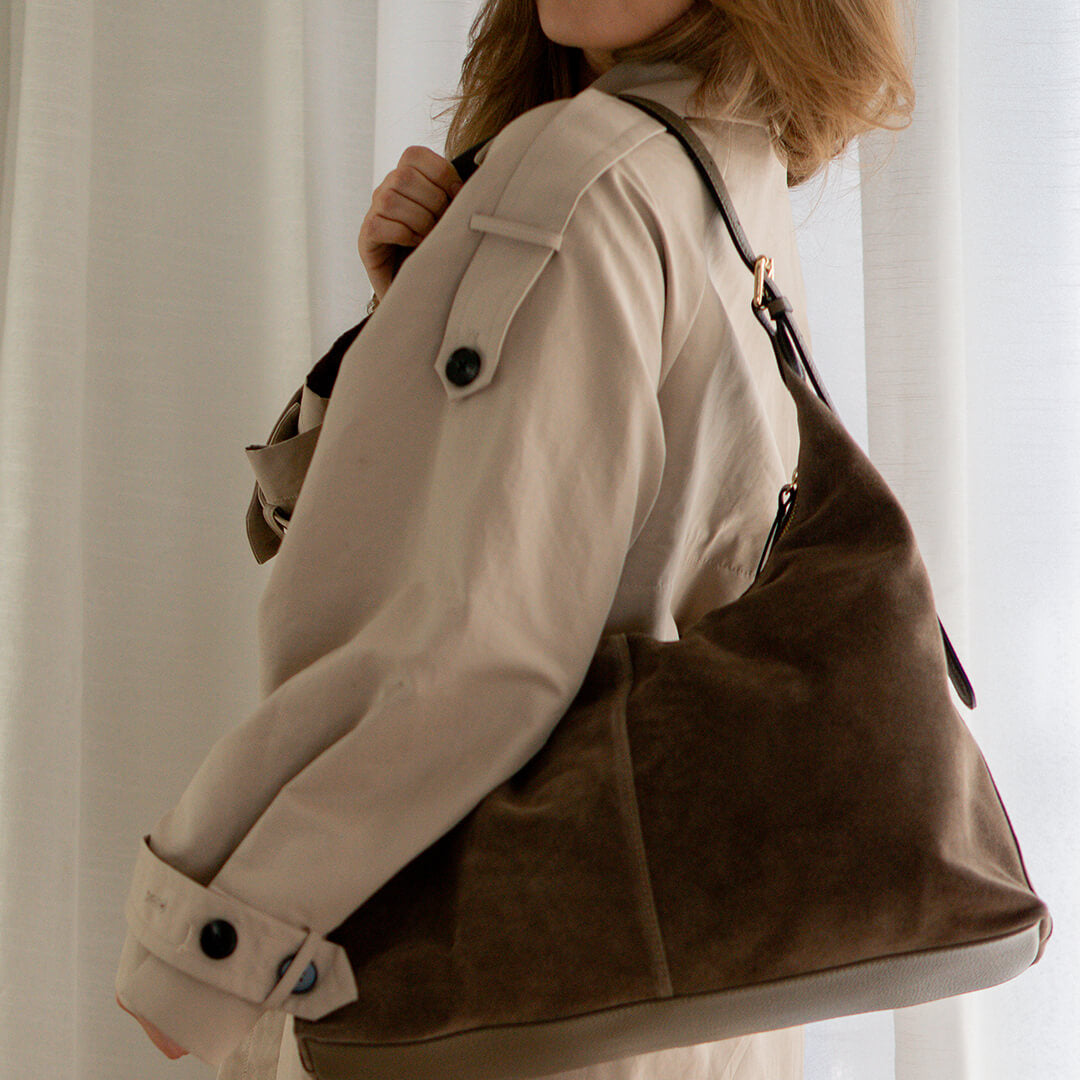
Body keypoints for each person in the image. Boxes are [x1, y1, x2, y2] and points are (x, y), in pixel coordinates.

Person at [114, 1, 915, 1078]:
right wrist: (418, 322)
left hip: (506, 988)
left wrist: (217, 944)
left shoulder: (589, 172)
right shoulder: (730, 166)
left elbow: (483, 649)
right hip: (683, 991)